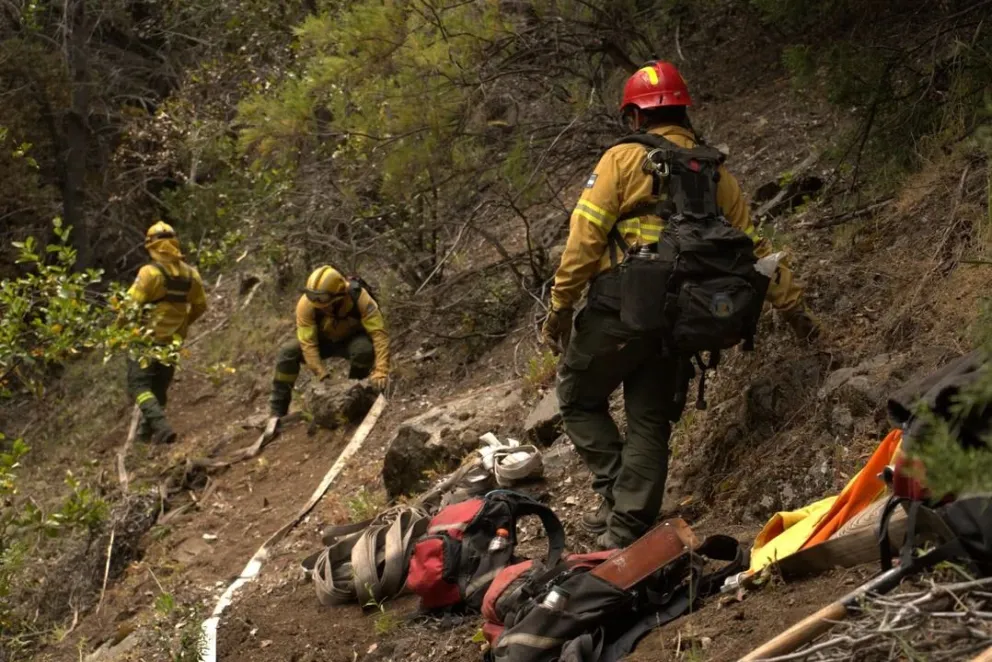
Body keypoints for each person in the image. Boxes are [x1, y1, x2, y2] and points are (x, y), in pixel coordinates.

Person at [542, 61, 820, 549]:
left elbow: (585, 238)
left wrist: (560, 307)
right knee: (649, 418)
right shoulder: (716, 174)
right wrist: (796, 313)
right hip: (684, 319)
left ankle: (615, 500)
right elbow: (756, 250)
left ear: (634, 117)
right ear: (684, 110)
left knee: (578, 399)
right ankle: (626, 524)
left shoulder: (622, 160)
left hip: (620, 310)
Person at [267, 265, 390, 425]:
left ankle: (354, 395)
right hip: (323, 341)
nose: (317, 303)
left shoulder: (359, 297)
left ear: (338, 294)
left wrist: (381, 369)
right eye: (312, 297)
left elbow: (379, 334)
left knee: (363, 351)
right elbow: (308, 343)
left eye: (322, 299)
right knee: (288, 352)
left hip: (352, 339)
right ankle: (277, 411)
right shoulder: (306, 305)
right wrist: (322, 375)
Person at [126, 222, 208, 444]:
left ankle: (161, 427)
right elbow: (201, 306)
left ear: (151, 246)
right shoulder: (192, 275)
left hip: (145, 340)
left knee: (140, 386)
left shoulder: (149, 273)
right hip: (172, 342)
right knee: (159, 389)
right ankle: (145, 439)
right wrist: (184, 323)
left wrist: (120, 331)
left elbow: (130, 307)